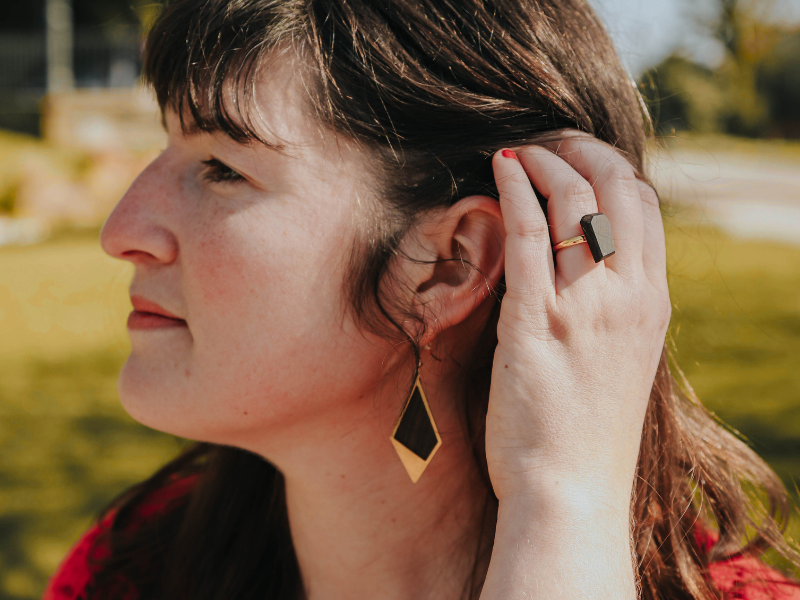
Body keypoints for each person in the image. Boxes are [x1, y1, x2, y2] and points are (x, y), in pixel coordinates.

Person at [42, 0, 800, 598]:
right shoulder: (128, 572)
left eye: (221, 168)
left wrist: (563, 507)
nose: (122, 231)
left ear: (447, 266)